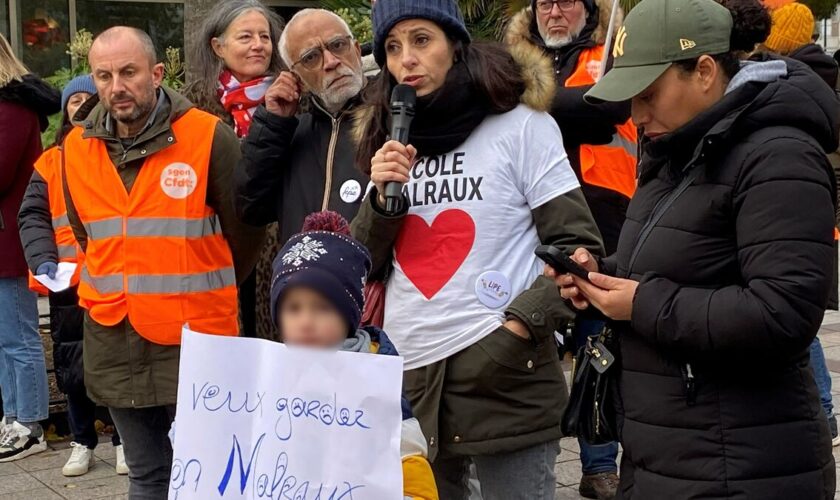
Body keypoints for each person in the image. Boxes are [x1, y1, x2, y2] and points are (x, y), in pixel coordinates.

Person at [556, 0, 838, 496]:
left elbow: (783, 312)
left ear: (704, 70)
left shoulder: (778, 155)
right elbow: (675, 257)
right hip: (667, 453)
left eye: (648, 94)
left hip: (743, 463)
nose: (637, 116)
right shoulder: (674, 153)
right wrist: (600, 273)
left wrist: (640, 302)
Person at [351, 1, 603, 498]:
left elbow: (577, 247)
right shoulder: (389, 138)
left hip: (506, 377)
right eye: (393, 48)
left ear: (455, 44)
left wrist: (518, 327)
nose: (407, 61)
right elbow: (365, 264)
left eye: (422, 40)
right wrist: (382, 199)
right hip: (412, 381)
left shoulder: (520, 126)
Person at [60, 26, 262, 498]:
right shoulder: (75, 149)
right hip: (114, 338)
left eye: (128, 72)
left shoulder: (208, 137)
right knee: (148, 474)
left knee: (211, 473)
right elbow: (88, 233)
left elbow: (245, 234)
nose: (117, 87)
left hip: (197, 340)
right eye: (104, 75)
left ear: (156, 73)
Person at [505, 1, 636, 496]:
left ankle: (599, 462)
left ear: (588, 9)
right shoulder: (511, 58)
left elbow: (607, 110)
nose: (554, 12)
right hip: (530, 223)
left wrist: (533, 100)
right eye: (545, 3)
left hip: (604, 222)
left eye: (566, 2)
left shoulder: (611, 51)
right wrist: (571, 104)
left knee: (595, 344)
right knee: (527, 335)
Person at [269, 211, 438, 499]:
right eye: (294, 309)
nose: (306, 321)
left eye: (322, 308)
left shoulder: (376, 372)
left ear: (349, 316)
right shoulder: (264, 373)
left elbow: (405, 451)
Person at [17, 75, 128, 476]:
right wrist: (42, 258)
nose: (80, 105)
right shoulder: (51, 161)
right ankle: (82, 440)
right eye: (73, 99)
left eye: (87, 98)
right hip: (67, 279)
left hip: (112, 273)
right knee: (73, 365)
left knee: (116, 361)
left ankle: (121, 440)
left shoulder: (116, 153)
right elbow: (32, 215)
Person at [759, 0, 840, 448]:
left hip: (798, 222)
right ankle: (824, 414)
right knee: (800, 324)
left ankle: (824, 413)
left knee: (796, 325)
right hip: (814, 222)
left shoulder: (790, 84)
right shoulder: (819, 81)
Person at [235, 8, 371, 270]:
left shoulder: (391, 118)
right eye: (311, 57)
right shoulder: (290, 133)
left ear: (356, 48)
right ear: (296, 78)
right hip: (304, 298)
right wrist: (273, 124)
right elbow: (250, 208)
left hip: (373, 297)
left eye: (338, 45)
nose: (331, 61)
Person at [183, 0, 282, 339]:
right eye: (245, 37)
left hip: (280, 245)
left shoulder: (293, 98)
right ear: (218, 46)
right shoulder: (194, 106)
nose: (258, 45)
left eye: (264, 37)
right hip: (218, 246)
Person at [0, 32, 59, 462]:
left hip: (9, 241)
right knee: (5, 337)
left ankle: (31, 423)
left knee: (18, 335)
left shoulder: (12, 109)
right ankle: (13, 415)